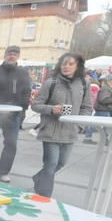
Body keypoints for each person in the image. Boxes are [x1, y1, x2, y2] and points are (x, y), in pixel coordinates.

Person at [30, 52, 92, 197]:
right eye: (64, 63)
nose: (66, 66)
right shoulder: (50, 83)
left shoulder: (84, 84)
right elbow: (36, 105)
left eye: (71, 64)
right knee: (50, 164)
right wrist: (52, 109)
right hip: (50, 130)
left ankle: (38, 178)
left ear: (78, 67)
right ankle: (44, 195)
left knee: (61, 163)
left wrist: (80, 124)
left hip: (70, 132)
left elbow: (87, 107)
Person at [0, 45, 31, 182]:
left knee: (11, 144)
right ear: (5, 55)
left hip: (13, 115)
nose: (12, 56)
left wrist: (22, 112)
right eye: (9, 53)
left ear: (18, 56)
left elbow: (26, 93)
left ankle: (2, 171)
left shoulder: (23, 73)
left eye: (15, 54)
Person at [83, 73, 112, 144]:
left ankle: (88, 138)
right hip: (103, 109)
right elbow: (103, 99)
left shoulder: (109, 87)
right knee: (105, 125)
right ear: (109, 80)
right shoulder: (106, 88)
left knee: (95, 124)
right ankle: (104, 140)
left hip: (103, 109)